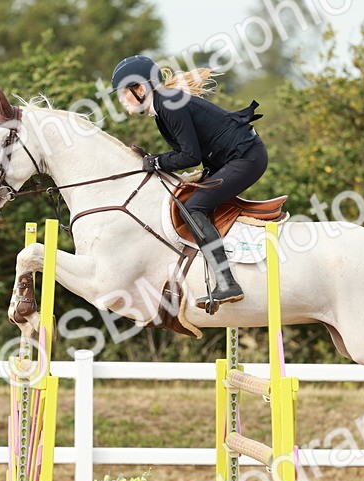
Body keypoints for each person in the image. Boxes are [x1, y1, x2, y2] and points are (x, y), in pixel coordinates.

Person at [111, 54, 268, 313]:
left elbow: (190, 156)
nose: (120, 99)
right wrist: (157, 160)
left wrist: (157, 161)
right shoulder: (163, 107)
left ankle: (227, 282)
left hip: (246, 158)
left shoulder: (169, 105)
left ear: (140, 88)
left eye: (123, 91)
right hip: (231, 159)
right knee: (188, 199)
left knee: (193, 207)